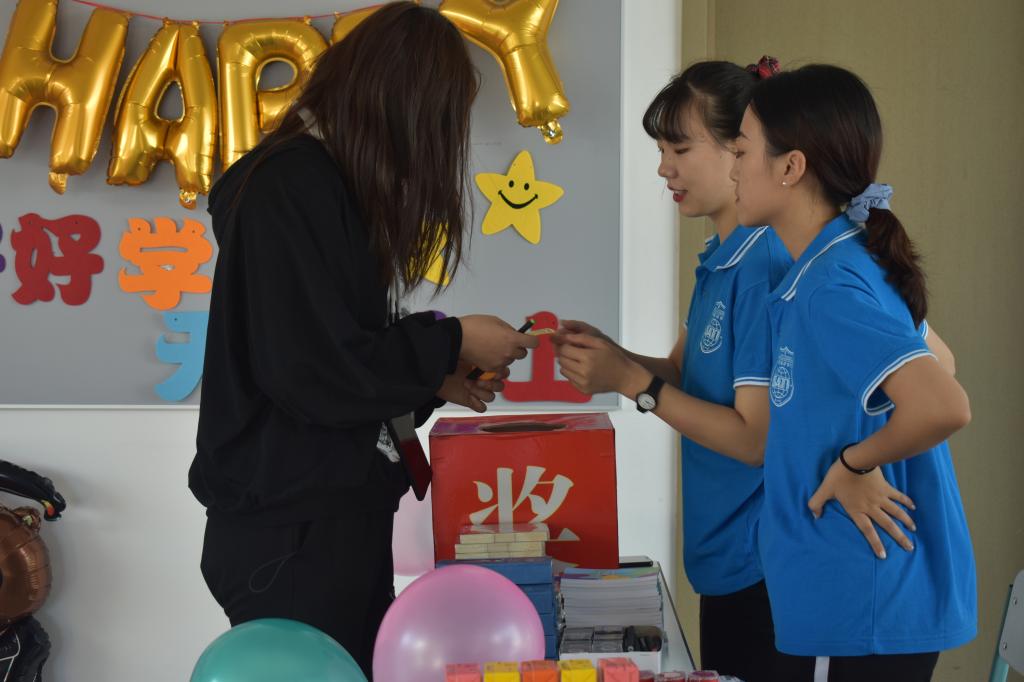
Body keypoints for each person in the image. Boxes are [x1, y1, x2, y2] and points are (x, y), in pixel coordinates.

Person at [188, 4, 538, 677]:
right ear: (397, 106)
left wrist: (436, 375)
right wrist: (451, 339)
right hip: (293, 531)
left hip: (324, 518)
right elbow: (313, 370)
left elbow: (334, 353)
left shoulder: (319, 185)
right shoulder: (290, 186)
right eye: (438, 122)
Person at [553, 58, 801, 682]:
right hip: (724, 558)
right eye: (661, 150)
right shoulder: (722, 257)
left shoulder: (765, 263)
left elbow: (755, 439)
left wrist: (631, 382)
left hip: (766, 565)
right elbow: (681, 374)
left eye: (680, 148)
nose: (664, 167)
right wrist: (611, 356)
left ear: (740, 148)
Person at [731, 63, 976, 681]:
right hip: (866, 600)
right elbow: (940, 360)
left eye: (741, 150)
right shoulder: (840, 260)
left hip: (858, 601)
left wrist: (854, 464)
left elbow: (944, 403)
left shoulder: (830, 286)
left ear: (790, 167)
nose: (732, 169)